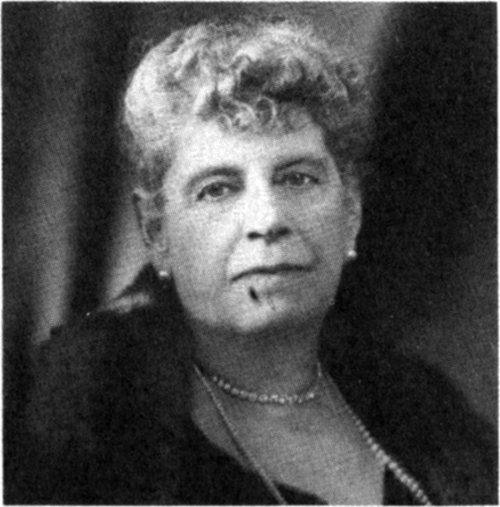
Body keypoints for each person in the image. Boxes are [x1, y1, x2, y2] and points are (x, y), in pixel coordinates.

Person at [21, 15, 495, 505]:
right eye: (217, 189)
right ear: (157, 231)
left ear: (351, 211)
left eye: (297, 178)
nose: (268, 220)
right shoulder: (95, 415)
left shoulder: (422, 407)